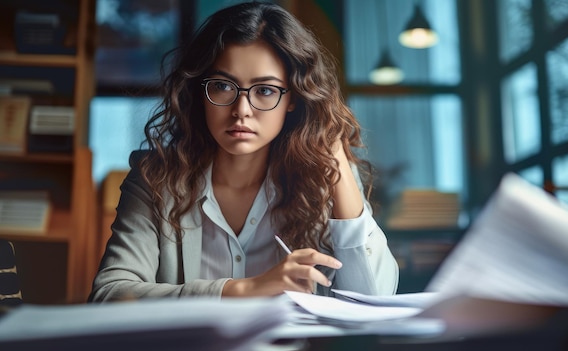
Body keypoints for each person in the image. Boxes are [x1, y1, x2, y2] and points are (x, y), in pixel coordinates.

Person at [89, 1, 398, 302]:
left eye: (265, 90)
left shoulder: (325, 176)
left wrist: (333, 150)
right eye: (223, 86)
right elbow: (110, 294)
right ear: (201, 91)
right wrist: (244, 289)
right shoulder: (156, 178)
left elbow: (374, 299)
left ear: (294, 98)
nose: (241, 111)